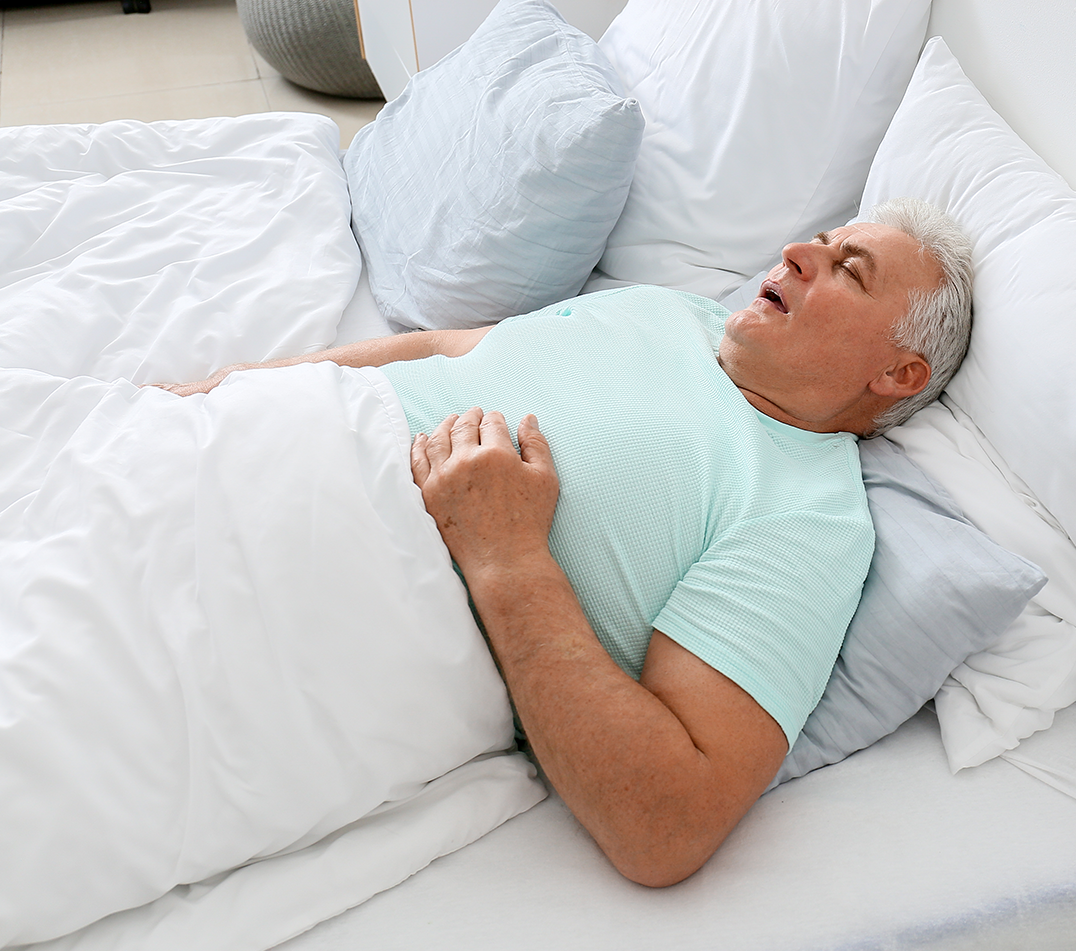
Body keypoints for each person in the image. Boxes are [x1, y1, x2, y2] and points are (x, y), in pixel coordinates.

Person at [163, 196, 974, 887]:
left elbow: (668, 825)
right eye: (822, 243)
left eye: (849, 269)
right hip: (217, 451)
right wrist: (222, 390)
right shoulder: (668, 310)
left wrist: (507, 556)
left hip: (292, 586)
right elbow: (445, 347)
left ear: (899, 375)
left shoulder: (805, 517)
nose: (799, 253)